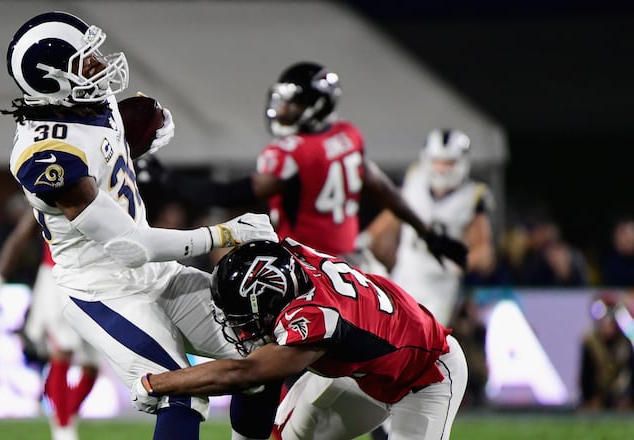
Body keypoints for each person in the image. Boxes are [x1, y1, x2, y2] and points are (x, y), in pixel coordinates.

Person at [3, 11, 281, 440]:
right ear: (50, 79)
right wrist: (226, 233)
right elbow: (130, 245)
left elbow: (106, 154)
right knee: (181, 392)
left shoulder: (87, 100)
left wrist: (132, 143)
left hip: (156, 274)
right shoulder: (45, 153)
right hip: (104, 289)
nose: (98, 64)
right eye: (84, 60)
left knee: (261, 357)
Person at [137, 62, 467, 274]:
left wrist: (167, 179)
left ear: (316, 106)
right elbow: (384, 190)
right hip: (356, 264)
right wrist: (428, 233)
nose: (283, 111)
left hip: (308, 267)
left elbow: (231, 192)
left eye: (293, 103)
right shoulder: (347, 136)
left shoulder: (294, 152)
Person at [131, 239, 468, 440]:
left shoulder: (316, 318)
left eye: (242, 316)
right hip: (363, 374)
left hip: (425, 375)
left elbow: (245, 373)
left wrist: (158, 383)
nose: (239, 328)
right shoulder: (291, 257)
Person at [0, 207, 102, 440]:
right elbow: (21, 236)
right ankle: (63, 431)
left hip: (95, 280)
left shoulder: (101, 187)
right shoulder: (48, 187)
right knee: (61, 352)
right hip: (58, 276)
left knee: (92, 365)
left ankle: (66, 418)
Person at [365, 128, 496, 326]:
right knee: (386, 331)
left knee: (425, 341)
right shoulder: (413, 181)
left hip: (440, 284)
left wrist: (462, 263)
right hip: (405, 273)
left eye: (448, 162)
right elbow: (389, 220)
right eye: (437, 161)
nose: (441, 169)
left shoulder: (472, 196)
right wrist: (365, 240)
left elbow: (484, 253)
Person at [579, 292, 634, 410]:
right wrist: (590, 398)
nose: (607, 327)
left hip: (620, 396)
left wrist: (628, 398)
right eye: (604, 323)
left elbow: (630, 374)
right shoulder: (590, 342)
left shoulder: (624, 343)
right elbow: (585, 376)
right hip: (597, 394)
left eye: (610, 323)